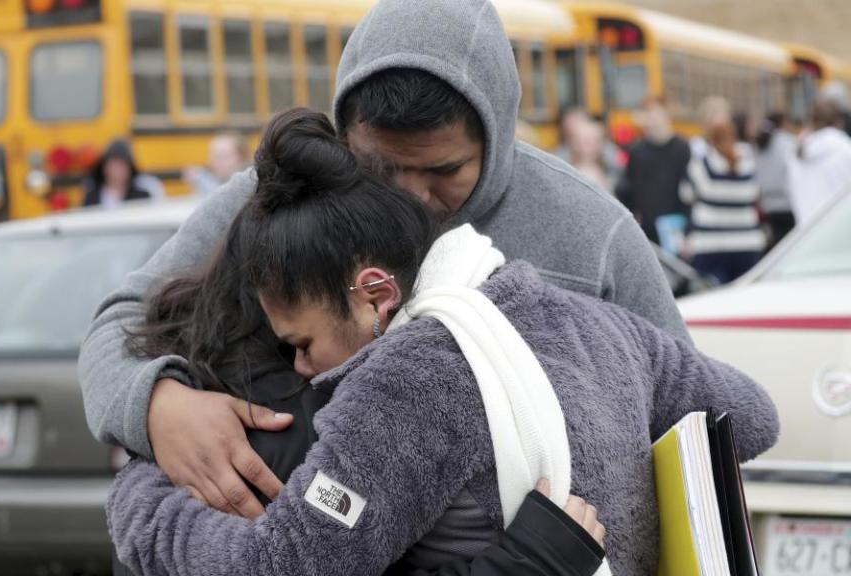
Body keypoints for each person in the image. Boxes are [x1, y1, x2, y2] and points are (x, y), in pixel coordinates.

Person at [80, 0, 688, 528]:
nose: (411, 197)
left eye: (444, 171)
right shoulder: (277, 201)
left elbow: (687, 423)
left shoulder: (593, 233)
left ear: (495, 137)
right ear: (347, 134)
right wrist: (158, 406)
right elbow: (119, 321)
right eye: (383, 167)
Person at [108, 108, 779, 576]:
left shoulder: (404, 387)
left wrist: (138, 500)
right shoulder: (581, 318)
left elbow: (281, 564)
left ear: (375, 295)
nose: (304, 368)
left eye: (303, 341)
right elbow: (750, 417)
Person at [681, 120, 765, 284]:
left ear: (711, 140)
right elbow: (757, 193)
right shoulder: (749, 164)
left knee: (713, 300)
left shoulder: (701, 166)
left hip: (710, 245)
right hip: (747, 244)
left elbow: (685, 194)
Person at [615, 96, 691, 245]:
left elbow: (689, 190)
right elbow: (627, 187)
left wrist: (689, 229)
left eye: (654, 112)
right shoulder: (637, 151)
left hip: (676, 226)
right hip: (647, 229)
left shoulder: (682, 148)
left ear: (667, 114)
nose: (650, 118)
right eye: (647, 112)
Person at [787, 100, 851, 226]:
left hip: (807, 232)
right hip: (841, 229)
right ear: (839, 121)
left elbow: (791, 193)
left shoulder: (796, 153)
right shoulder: (844, 149)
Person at [754, 112, 797, 251]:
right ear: (783, 123)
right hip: (787, 204)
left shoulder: (759, 142)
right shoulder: (788, 141)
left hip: (766, 205)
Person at [83, 139, 164, 209]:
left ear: (130, 169)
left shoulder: (142, 197)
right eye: (113, 164)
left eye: (122, 165)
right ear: (104, 167)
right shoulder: (91, 198)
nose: (117, 170)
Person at [183, 133, 249, 196]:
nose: (217, 161)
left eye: (223, 155)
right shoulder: (215, 179)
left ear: (240, 157)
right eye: (214, 155)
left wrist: (201, 180)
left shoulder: (248, 186)